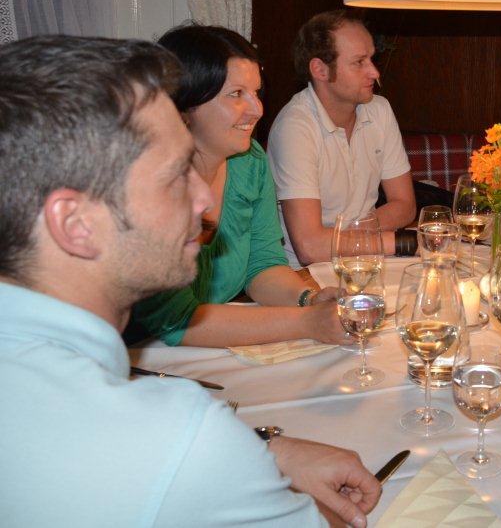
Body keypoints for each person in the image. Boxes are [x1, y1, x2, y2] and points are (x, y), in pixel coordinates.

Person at [0, 35, 381, 526]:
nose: (203, 202)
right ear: (74, 224)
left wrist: (269, 449)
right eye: (175, 175)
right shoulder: (180, 432)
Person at [127, 25, 351, 348]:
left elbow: (262, 265)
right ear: (185, 104)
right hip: (141, 356)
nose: (258, 109)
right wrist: (307, 322)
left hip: (213, 352)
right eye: (236, 94)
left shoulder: (250, 162)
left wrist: (308, 300)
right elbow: (177, 321)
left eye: (256, 93)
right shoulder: (149, 181)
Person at [268, 10, 417, 267]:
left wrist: (355, 236)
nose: (374, 72)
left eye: (372, 58)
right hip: (307, 274)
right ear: (320, 70)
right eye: (359, 62)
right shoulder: (295, 127)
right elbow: (311, 247)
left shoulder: (379, 109)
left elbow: (405, 205)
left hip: (366, 259)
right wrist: (400, 241)